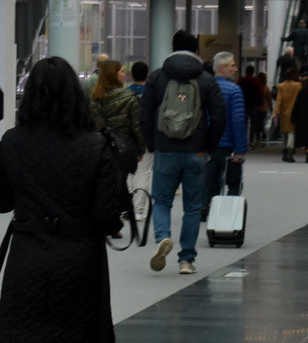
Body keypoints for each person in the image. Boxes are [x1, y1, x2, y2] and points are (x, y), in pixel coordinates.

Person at [0, 57, 126, 343]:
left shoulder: (13, 141)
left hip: (29, 254)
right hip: (80, 257)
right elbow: (106, 214)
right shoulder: (95, 144)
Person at [139, 30, 226, 275]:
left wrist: (152, 143)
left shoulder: (157, 77)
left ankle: (163, 237)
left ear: (173, 47)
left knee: (162, 200)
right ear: (196, 49)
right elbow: (219, 117)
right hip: (195, 150)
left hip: (165, 149)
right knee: (193, 207)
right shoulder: (206, 79)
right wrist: (208, 146)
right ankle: (186, 259)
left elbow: (144, 114)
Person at [89, 58, 146, 234]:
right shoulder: (129, 98)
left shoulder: (93, 97)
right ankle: (114, 220)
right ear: (113, 75)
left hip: (99, 147)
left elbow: (92, 126)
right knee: (120, 183)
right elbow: (135, 126)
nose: (123, 74)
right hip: (123, 148)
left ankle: (105, 218)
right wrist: (140, 148)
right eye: (120, 71)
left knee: (102, 184)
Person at [204, 52, 247, 216]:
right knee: (233, 182)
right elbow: (238, 120)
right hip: (228, 146)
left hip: (208, 146)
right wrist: (240, 148)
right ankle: (229, 214)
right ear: (222, 68)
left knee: (210, 181)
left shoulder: (205, 88)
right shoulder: (234, 90)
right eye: (232, 65)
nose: (235, 69)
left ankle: (206, 209)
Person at [125, 61, 153, 221]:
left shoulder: (125, 93)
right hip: (146, 138)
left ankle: (126, 207)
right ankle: (138, 210)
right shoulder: (151, 93)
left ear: (132, 75)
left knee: (128, 173)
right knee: (144, 172)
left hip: (127, 138)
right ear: (147, 75)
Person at [273, 65, 302, 162]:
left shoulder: (281, 86)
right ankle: (290, 151)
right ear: (293, 76)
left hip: (284, 112)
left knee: (284, 132)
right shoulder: (298, 85)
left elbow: (279, 100)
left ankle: (284, 151)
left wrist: (275, 112)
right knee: (292, 133)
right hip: (294, 111)